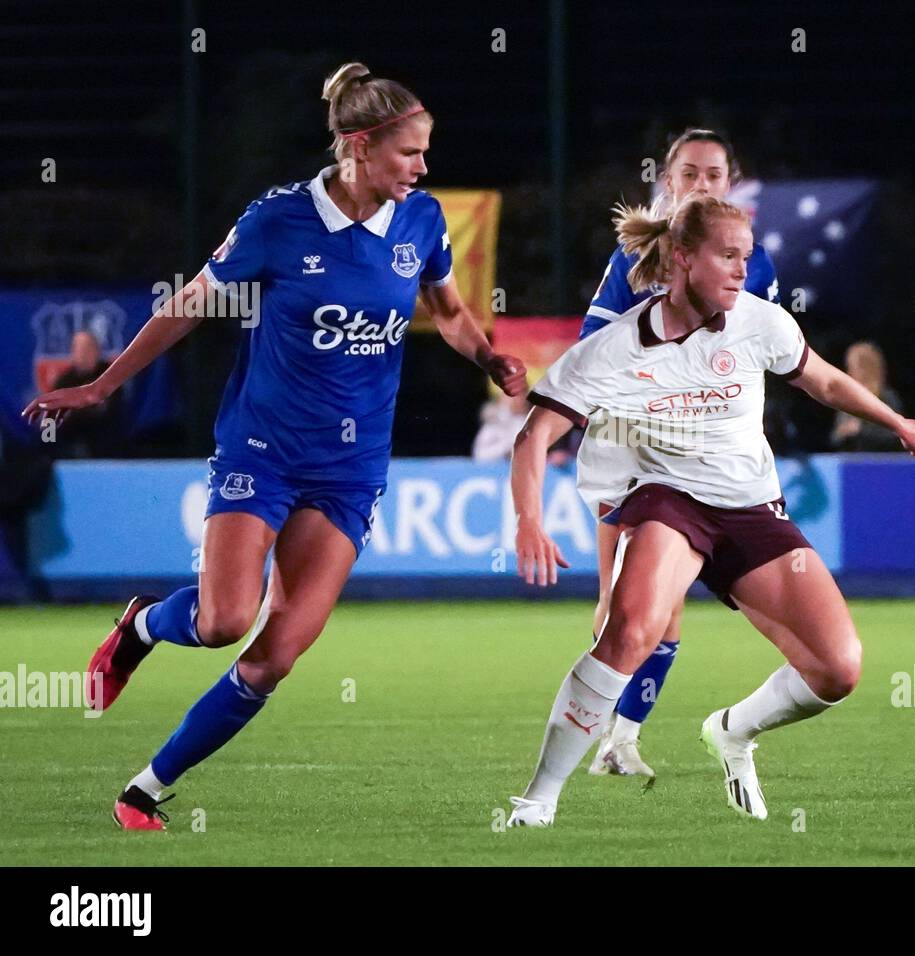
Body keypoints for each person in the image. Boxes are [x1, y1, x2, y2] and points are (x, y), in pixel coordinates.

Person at [24, 62, 526, 831]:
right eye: (409, 154)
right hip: (263, 447)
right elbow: (191, 304)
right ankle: (144, 626)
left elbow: (448, 309)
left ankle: (146, 788)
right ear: (359, 146)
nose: (423, 169)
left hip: (351, 469)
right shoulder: (279, 220)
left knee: (276, 654)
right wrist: (102, 385)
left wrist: (487, 356)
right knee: (226, 619)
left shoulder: (421, 221)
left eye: (425, 153)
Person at [503, 195, 915, 827]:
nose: (743, 269)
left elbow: (822, 381)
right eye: (728, 255)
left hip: (750, 507)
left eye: (746, 256)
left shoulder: (759, 322)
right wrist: (528, 522)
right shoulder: (614, 349)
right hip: (666, 501)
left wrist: (898, 422)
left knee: (837, 668)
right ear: (682, 258)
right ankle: (538, 799)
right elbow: (532, 438)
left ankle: (732, 731)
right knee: (630, 632)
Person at [578, 130, 780, 779]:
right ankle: (605, 742)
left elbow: (762, 360)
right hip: (635, 447)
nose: (701, 184)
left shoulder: (757, 264)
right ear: (667, 181)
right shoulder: (637, 258)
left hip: (711, 455)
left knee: (662, 611)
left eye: (714, 174)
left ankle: (617, 741)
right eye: (689, 173)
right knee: (628, 606)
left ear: (730, 183)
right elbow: (592, 347)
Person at [49, 331, 124, 458]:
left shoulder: (109, 375)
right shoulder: (65, 381)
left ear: (97, 350)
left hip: (104, 438)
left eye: (87, 349)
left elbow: (106, 410)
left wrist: (72, 411)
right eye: (78, 349)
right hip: (70, 439)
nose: (82, 354)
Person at [830, 342, 905, 452]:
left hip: (881, 463)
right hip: (852, 462)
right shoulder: (846, 399)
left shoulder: (887, 398)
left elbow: (895, 435)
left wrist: (861, 430)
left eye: (853, 367)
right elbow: (835, 438)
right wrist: (842, 432)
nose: (849, 372)